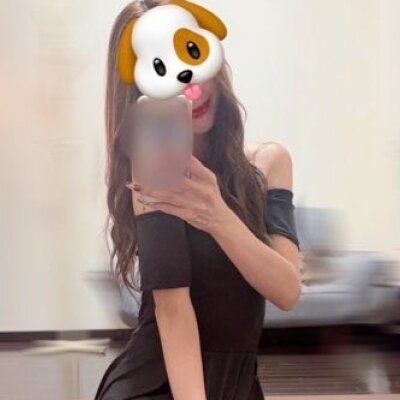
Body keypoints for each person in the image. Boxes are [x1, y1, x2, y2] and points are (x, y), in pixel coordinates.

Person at [94, 1, 302, 399]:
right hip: (161, 380)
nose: (191, 86)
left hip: (238, 383)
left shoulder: (270, 162)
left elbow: (287, 290)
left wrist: (217, 216)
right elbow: (172, 310)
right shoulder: (153, 172)